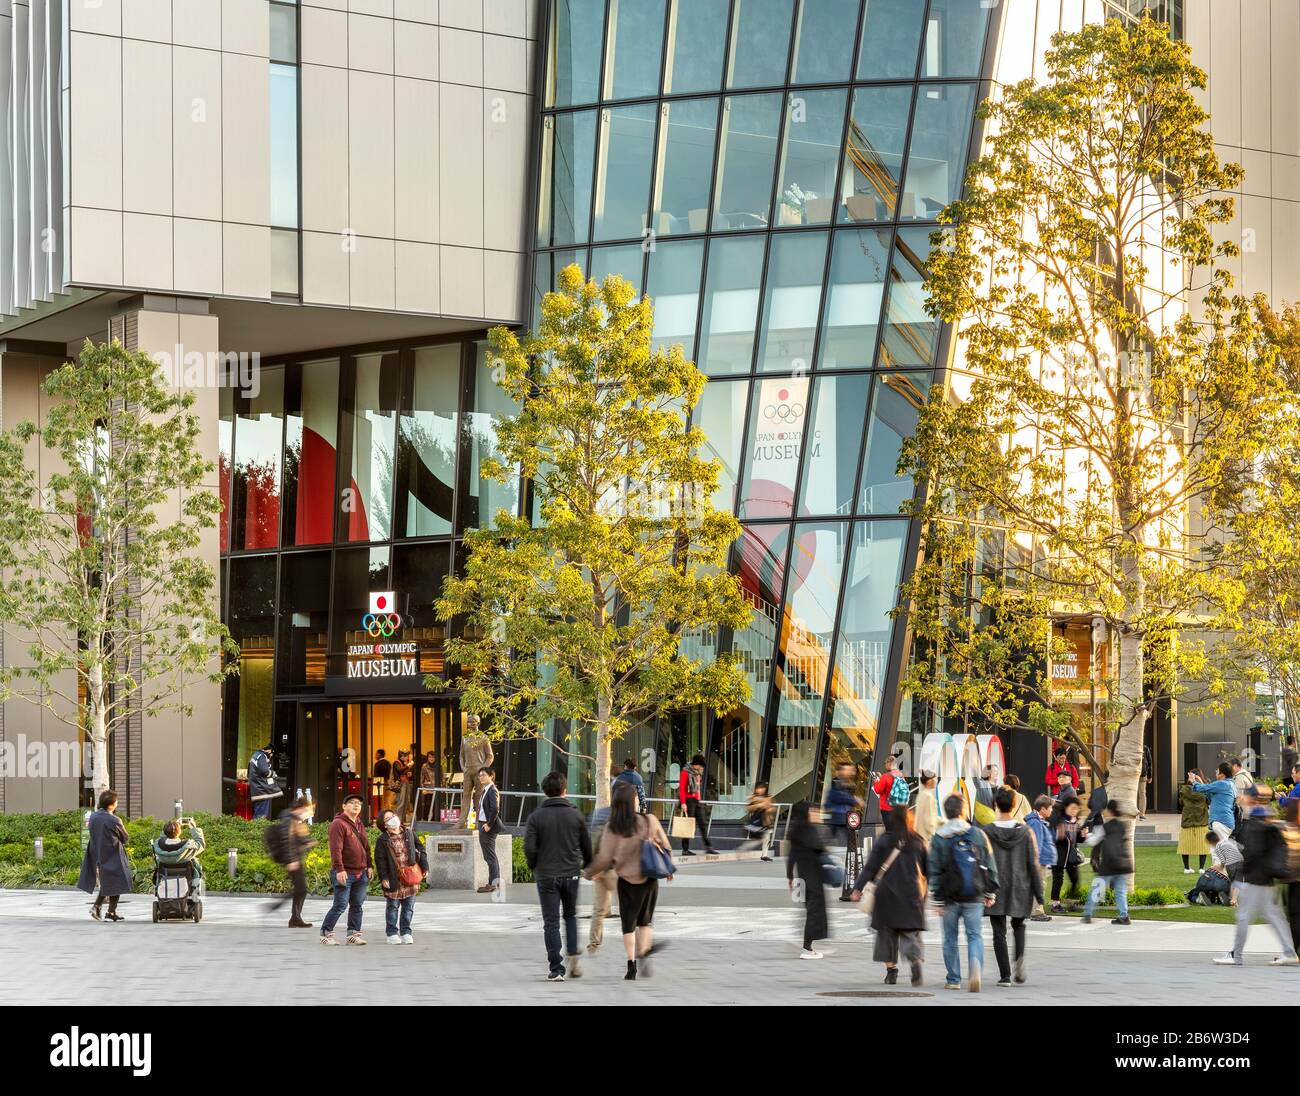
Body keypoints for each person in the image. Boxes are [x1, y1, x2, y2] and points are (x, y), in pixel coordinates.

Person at [584, 781, 675, 980]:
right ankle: (644, 953)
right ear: (633, 801)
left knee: (628, 925)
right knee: (645, 921)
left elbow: (604, 858)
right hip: (649, 879)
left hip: (626, 882)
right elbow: (666, 846)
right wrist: (668, 868)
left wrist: (589, 872)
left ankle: (631, 965)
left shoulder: (612, 827)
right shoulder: (649, 820)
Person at [1214, 784, 1299, 966]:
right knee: (1273, 915)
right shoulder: (1266, 816)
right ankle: (1289, 951)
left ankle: (1236, 955)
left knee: (1245, 915)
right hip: (1265, 876)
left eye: (1245, 795)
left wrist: (1239, 877)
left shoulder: (1256, 818)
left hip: (1256, 877)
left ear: (1251, 798)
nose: (1242, 798)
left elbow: (1254, 851)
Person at [523, 770, 593, 982]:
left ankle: (556, 968)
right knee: (570, 916)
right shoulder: (576, 814)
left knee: (551, 922)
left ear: (544, 791)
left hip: (546, 875)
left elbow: (529, 848)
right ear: (565, 790)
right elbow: (587, 846)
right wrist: (586, 865)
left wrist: (534, 866)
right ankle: (573, 955)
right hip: (571, 873)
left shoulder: (535, 817)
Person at [849, 804, 928, 986]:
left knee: (886, 934)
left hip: (886, 896)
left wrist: (857, 889)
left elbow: (870, 868)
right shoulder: (918, 841)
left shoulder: (883, 840)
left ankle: (891, 972)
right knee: (910, 933)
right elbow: (928, 870)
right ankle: (915, 961)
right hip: (911, 894)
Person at [929, 794, 998, 992]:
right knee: (974, 935)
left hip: (949, 896)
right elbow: (989, 864)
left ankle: (953, 979)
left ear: (947, 812)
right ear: (963, 810)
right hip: (974, 893)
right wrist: (990, 892)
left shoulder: (940, 836)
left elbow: (934, 869)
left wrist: (937, 898)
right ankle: (975, 967)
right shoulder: (977, 834)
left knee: (950, 938)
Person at [983, 786, 1042, 985]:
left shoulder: (987, 832)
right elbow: (1033, 864)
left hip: (996, 887)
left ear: (995, 805)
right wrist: (1039, 893)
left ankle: (1005, 975)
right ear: (1015, 804)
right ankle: (1019, 957)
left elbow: (982, 863)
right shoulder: (1026, 832)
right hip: (1020, 886)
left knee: (998, 931)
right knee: (1019, 925)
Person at [320, 793, 373, 946]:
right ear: (344, 806)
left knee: (357, 905)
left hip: (361, 872)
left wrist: (369, 865)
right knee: (340, 905)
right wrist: (339, 869)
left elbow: (366, 847)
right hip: (345, 872)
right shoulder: (338, 824)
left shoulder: (359, 823)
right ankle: (325, 932)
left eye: (359, 803)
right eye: (352, 803)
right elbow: (335, 849)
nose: (356, 805)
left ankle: (353, 933)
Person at [786, 801, 833, 960]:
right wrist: (820, 826)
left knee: (809, 911)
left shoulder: (796, 830)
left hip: (801, 877)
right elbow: (820, 847)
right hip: (812, 878)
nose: (816, 814)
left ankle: (808, 944)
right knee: (814, 912)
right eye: (813, 811)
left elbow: (791, 856)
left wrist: (790, 876)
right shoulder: (809, 830)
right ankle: (807, 948)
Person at [374, 807, 428, 944]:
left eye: (393, 815)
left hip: (410, 876)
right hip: (394, 878)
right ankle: (392, 933)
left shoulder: (409, 833)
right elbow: (380, 860)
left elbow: (421, 849)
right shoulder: (383, 840)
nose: (393, 819)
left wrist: (425, 866)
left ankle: (406, 932)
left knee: (409, 907)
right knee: (392, 907)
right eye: (388, 818)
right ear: (384, 824)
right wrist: (384, 877)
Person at [77, 790, 133, 921]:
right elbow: (125, 838)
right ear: (112, 805)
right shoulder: (114, 820)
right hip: (113, 854)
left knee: (113, 882)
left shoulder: (93, 817)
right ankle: (97, 906)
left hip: (98, 853)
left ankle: (111, 912)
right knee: (115, 882)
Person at [1080, 800, 1134, 925]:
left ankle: (1088, 915)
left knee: (1096, 889)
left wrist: (1086, 835)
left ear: (1109, 811)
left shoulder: (1104, 827)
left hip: (1109, 865)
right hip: (1124, 864)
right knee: (1120, 891)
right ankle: (1124, 916)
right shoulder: (1122, 826)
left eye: (1105, 810)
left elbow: (1093, 842)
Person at [266, 795, 316, 927]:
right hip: (293, 860)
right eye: (306, 810)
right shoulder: (289, 819)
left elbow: (296, 839)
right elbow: (285, 840)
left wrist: (307, 842)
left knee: (300, 888)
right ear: (300, 808)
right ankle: (287, 913)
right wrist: (290, 860)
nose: (307, 813)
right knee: (301, 888)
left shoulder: (295, 819)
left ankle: (294, 917)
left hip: (296, 859)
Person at [585, 800, 618, 954]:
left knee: (598, 909)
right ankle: (639, 940)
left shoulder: (599, 814)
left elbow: (590, 842)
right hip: (614, 870)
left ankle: (594, 943)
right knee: (630, 905)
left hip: (599, 869)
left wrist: (591, 868)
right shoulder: (621, 817)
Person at [1047, 795, 1084, 912]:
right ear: (1066, 807)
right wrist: (1059, 835)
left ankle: (1071, 903)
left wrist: (1083, 835)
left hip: (1071, 857)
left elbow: (1077, 839)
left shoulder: (1075, 821)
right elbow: (1053, 837)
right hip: (1058, 855)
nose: (1074, 811)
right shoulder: (1058, 819)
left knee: (1075, 879)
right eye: (1072, 808)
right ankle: (1055, 904)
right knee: (1058, 879)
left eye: (1076, 808)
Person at [1187, 829, 1241, 905]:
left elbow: (1223, 863)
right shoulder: (1229, 842)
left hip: (1224, 869)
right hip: (1237, 868)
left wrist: (1214, 868)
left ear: (1211, 842)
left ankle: (1199, 898)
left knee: (1232, 882)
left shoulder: (1218, 847)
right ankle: (1231, 899)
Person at [677, 753, 717, 856]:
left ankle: (708, 847)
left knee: (703, 824)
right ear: (696, 764)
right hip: (688, 801)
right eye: (700, 765)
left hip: (696, 800)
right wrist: (683, 803)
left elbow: (697, 787)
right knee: (688, 826)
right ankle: (685, 849)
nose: (701, 767)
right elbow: (681, 789)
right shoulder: (685, 772)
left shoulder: (697, 773)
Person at [1025, 795, 1056, 921]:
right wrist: (1036, 861)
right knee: (1039, 885)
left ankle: (1031, 910)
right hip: (1039, 860)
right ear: (1043, 809)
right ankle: (1037, 912)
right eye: (1050, 808)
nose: (1052, 810)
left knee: (1036, 885)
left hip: (1040, 860)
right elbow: (1036, 843)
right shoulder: (1036, 823)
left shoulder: (1038, 821)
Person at [1187, 764, 1237, 841]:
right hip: (1226, 820)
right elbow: (1209, 795)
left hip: (1220, 821)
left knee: (1218, 850)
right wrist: (1200, 780)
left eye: (1217, 771)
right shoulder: (1231, 784)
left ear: (1222, 774)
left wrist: (1193, 781)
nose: (1215, 772)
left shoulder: (1222, 784)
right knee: (1219, 849)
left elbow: (1201, 788)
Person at [460, 717, 494, 827]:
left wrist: (483, 770)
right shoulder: (464, 738)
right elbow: (461, 756)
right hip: (467, 771)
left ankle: (479, 821)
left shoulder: (484, 738)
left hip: (479, 771)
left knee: (479, 796)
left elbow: (490, 756)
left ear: (478, 723)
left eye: (472, 722)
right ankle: (462, 821)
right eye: (468, 722)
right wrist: (463, 768)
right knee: (466, 795)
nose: (470, 724)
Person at [475, 765, 503, 893]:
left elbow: (495, 809)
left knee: (490, 856)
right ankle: (493, 882)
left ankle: (493, 883)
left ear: (491, 776)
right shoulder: (485, 789)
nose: (481, 777)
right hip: (483, 825)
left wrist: (489, 824)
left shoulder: (492, 790)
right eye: (480, 775)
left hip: (487, 827)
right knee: (489, 856)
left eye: (484, 775)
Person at [1177, 770, 1210, 873]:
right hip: (1202, 819)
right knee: (1203, 845)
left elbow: (1180, 802)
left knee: (1185, 845)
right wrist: (1201, 783)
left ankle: (1186, 868)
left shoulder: (1184, 789)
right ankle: (1201, 868)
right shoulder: (1204, 789)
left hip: (1187, 819)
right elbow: (1209, 799)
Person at [825, 761, 863, 845]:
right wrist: (855, 800)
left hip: (843, 818)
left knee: (844, 842)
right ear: (841, 771)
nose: (851, 772)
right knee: (842, 843)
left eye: (851, 770)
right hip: (839, 818)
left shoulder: (848, 784)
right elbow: (839, 797)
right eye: (848, 770)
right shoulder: (836, 782)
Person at [739, 781, 776, 859]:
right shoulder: (753, 798)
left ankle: (764, 855)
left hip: (766, 821)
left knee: (766, 838)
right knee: (758, 840)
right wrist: (759, 805)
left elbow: (772, 808)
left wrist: (769, 809)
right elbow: (748, 809)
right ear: (756, 789)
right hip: (757, 822)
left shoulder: (768, 797)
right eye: (759, 788)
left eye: (763, 788)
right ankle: (743, 848)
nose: (761, 790)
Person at [872, 751, 906, 828]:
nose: (885, 765)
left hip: (887, 808)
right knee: (895, 829)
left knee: (889, 830)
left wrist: (875, 781)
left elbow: (878, 790)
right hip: (898, 808)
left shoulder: (885, 777)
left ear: (890, 764)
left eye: (886, 763)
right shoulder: (900, 775)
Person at [249, 742, 282, 820]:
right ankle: (257, 831)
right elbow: (265, 771)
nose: (271, 757)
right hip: (262, 791)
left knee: (258, 814)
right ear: (270, 751)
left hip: (257, 789)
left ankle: (255, 830)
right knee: (260, 816)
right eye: (272, 755)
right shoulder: (262, 756)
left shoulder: (256, 755)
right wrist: (273, 774)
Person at [914, 770, 941, 847]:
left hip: (919, 836)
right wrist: (932, 837)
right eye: (935, 778)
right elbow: (929, 821)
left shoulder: (921, 795)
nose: (936, 780)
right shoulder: (928, 797)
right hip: (926, 839)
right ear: (929, 781)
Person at [418, 750, 439, 821]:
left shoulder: (438, 765)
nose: (431, 758)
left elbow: (441, 777)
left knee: (435, 805)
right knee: (427, 805)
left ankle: (434, 820)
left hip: (436, 788)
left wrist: (442, 788)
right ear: (427, 758)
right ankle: (425, 819)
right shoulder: (424, 766)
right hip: (427, 788)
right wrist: (423, 788)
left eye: (433, 757)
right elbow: (421, 778)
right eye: (430, 757)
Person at [373, 749, 393, 813]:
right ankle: (389, 813)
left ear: (379, 754)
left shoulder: (377, 764)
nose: (375, 755)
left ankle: (381, 814)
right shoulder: (388, 763)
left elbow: (376, 776)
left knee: (380, 799)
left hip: (379, 782)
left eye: (376, 754)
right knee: (387, 799)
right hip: (387, 782)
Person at [1138, 742, 1154, 819]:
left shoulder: (1130, 747)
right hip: (1142, 774)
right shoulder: (1145, 748)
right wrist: (1150, 776)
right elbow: (1150, 763)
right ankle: (1142, 814)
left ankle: (1134, 814)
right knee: (1142, 794)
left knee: (1133, 794)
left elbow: (1149, 763)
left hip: (1132, 774)